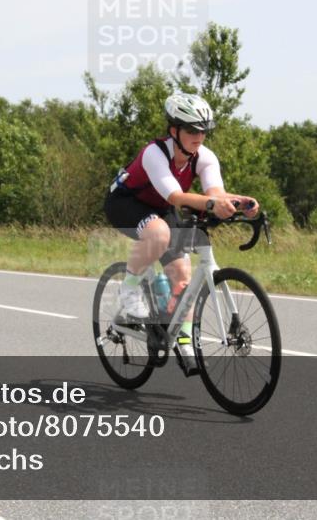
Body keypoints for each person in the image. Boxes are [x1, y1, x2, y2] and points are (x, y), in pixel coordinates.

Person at [104, 93, 259, 369]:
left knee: (182, 275)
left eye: (203, 131)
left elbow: (215, 193)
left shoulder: (205, 157)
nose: (199, 137)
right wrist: (212, 204)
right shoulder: (154, 153)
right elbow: (176, 197)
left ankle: (183, 338)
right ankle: (129, 291)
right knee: (159, 234)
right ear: (174, 130)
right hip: (126, 203)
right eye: (191, 130)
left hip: (160, 207)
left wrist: (241, 201)